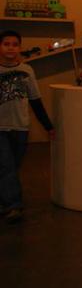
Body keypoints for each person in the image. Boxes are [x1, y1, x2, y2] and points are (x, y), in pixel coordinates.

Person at [0, 30, 55, 224]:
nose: (10, 48)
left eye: (15, 44)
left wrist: (48, 126)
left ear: (20, 48)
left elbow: (35, 100)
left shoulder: (27, 70)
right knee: (6, 166)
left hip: (20, 127)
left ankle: (4, 200)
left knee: (12, 167)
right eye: (6, 44)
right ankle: (14, 206)